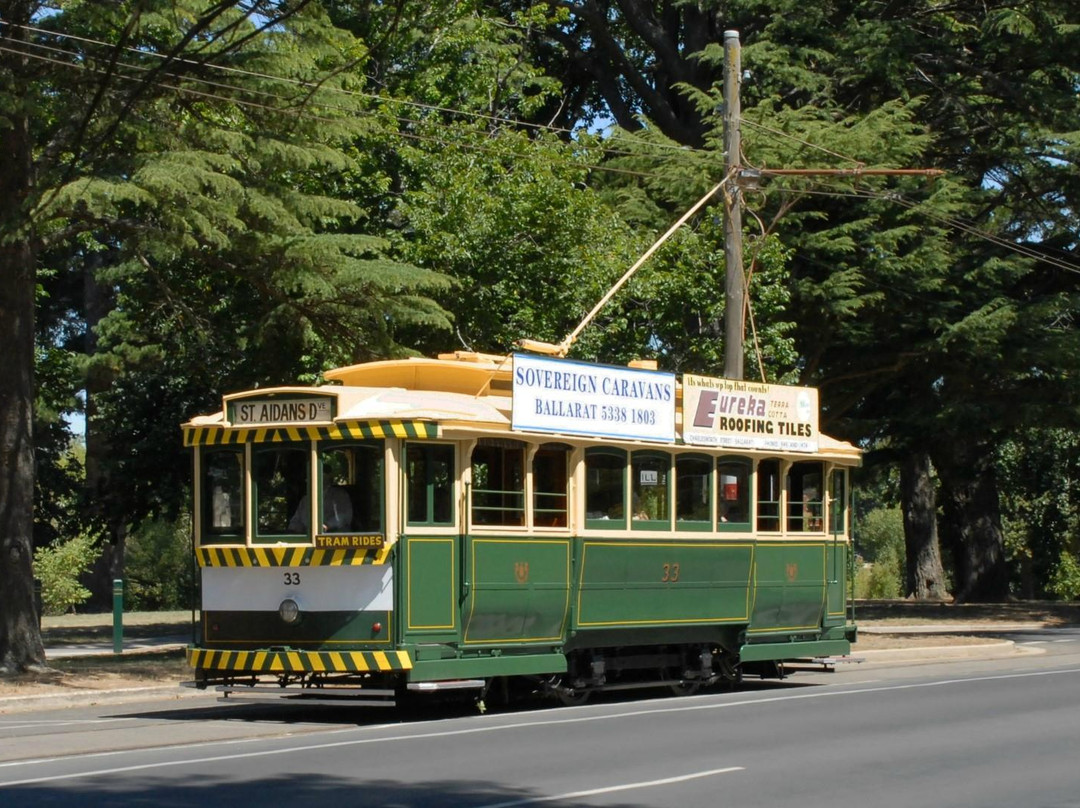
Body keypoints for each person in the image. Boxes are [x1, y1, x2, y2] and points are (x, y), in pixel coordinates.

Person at [288, 485, 353, 533]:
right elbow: (296, 521)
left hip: (337, 541)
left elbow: (345, 516)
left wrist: (328, 525)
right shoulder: (306, 500)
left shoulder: (340, 495)